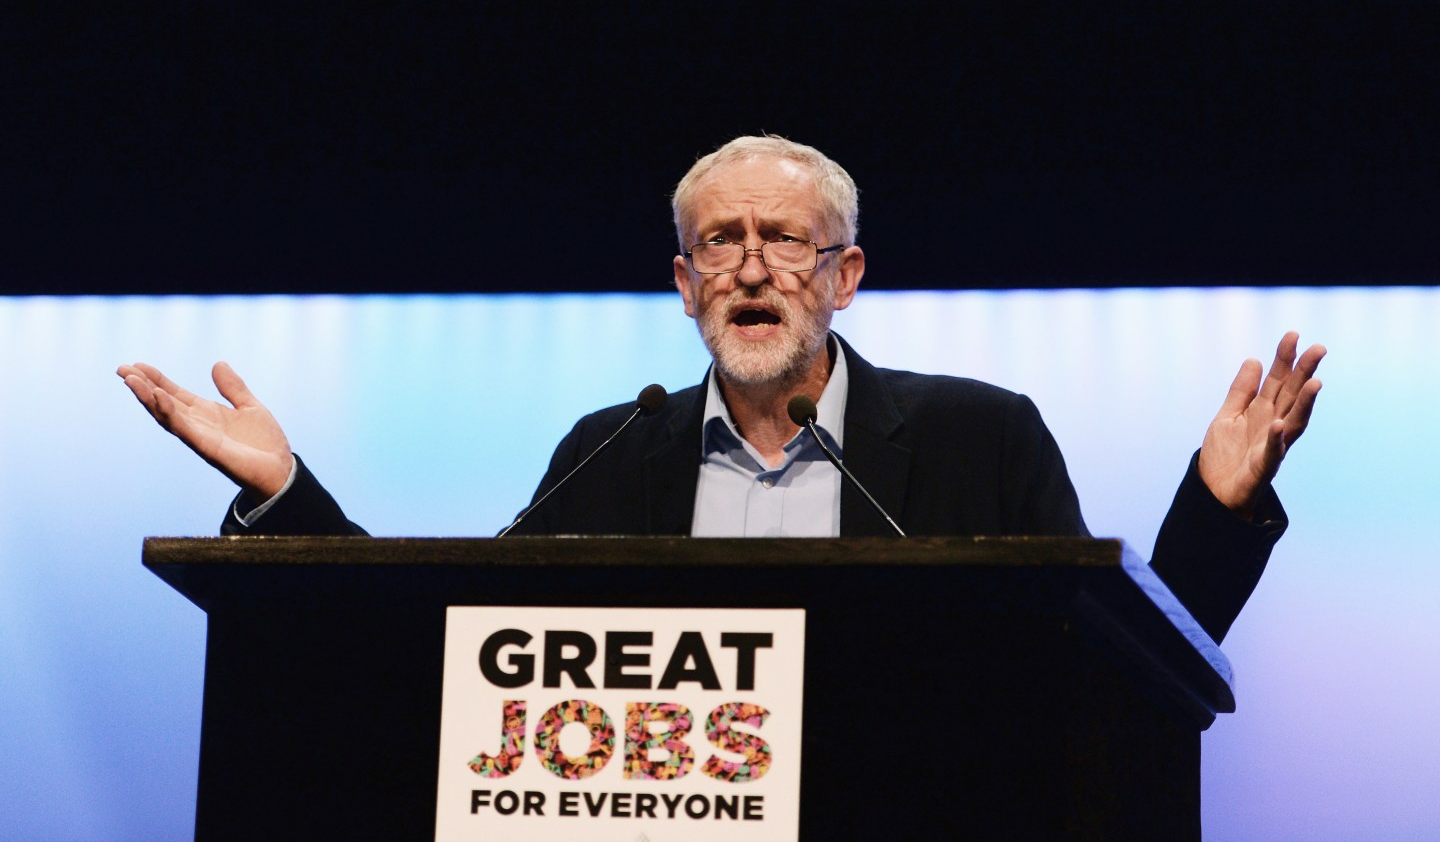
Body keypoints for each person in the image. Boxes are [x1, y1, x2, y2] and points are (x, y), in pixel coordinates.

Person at [118, 135, 1324, 642]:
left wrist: (1212, 514)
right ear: (684, 284)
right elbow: (458, 644)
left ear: (845, 275)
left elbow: (1097, 656)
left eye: (788, 240)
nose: (753, 265)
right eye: (723, 242)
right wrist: (291, 496)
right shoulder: (613, 449)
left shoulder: (977, 435)